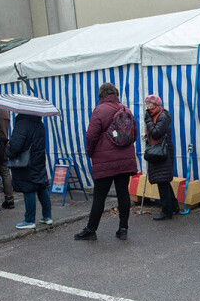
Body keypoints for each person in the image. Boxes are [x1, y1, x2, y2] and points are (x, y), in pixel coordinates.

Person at [75, 83, 138, 241]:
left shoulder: (100, 110)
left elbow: (91, 135)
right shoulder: (126, 109)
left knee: (99, 196)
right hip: (125, 159)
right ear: (115, 94)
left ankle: (91, 230)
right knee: (123, 193)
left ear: (101, 95)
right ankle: (123, 229)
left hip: (105, 161)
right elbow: (134, 134)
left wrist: (91, 153)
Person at [7, 113, 52, 230]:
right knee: (41, 186)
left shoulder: (22, 124)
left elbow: (15, 146)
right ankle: (47, 216)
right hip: (39, 159)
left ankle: (29, 220)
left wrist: (8, 152)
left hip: (26, 162)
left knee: (28, 188)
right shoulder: (40, 124)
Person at [143, 94, 179, 220]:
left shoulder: (162, 116)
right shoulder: (156, 115)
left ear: (155, 105)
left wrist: (148, 121)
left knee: (162, 182)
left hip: (162, 153)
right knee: (163, 181)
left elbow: (156, 133)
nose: (147, 106)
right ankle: (174, 207)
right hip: (160, 152)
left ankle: (166, 211)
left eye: (148, 104)